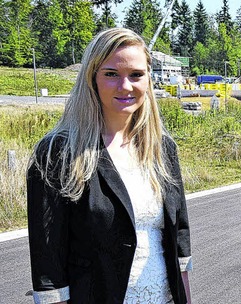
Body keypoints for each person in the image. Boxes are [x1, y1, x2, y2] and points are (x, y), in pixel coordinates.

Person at [27, 27, 192, 304]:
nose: (125, 86)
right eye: (111, 74)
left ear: (149, 80)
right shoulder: (57, 153)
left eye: (136, 75)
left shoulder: (162, 149)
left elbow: (180, 243)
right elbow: (49, 268)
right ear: (92, 77)